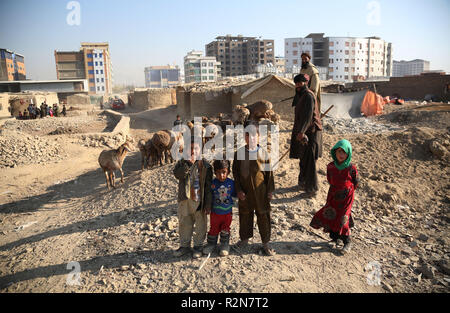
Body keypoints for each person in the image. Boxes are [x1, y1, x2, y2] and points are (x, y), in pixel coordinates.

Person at [232, 123, 275, 256]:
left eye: (253, 136)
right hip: (245, 192)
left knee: (263, 215)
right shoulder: (239, 153)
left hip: (261, 192)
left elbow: (269, 174)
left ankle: (266, 243)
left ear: (258, 136)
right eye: (247, 135)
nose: (251, 138)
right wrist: (238, 190)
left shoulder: (264, 153)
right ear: (244, 137)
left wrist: (270, 190)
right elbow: (236, 174)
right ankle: (244, 238)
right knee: (245, 215)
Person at [310, 139, 358, 254]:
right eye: (339, 152)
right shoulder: (331, 167)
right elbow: (330, 179)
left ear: (348, 153)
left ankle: (347, 241)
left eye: (344, 152)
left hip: (347, 197)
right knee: (330, 213)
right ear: (334, 153)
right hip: (333, 194)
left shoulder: (351, 168)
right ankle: (336, 238)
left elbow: (355, 182)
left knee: (343, 217)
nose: (341, 155)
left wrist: (346, 191)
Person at [173, 137, 213, 259]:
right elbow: (178, 175)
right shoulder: (181, 163)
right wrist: (187, 164)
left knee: (200, 224)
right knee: (185, 223)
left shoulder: (206, 165)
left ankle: (198, 246)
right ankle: (184, 246)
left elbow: (208, 187)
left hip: (199, 200)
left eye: (195, 148)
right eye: (190, 149)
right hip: (185, 199)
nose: (192, 151)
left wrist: (207, 204)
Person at [289, 73, 323, 197]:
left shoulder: (308, 96)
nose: (298, 85)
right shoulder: (300, 96)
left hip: (311, 132)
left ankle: (312, 189)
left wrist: (302, 132)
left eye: (300, 83)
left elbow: (308, 116)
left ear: (306, 83)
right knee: (303, 158)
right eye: (296, 83)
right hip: (303, 132)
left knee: (310, 161)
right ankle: (302, 183)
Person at [203, 159, 236, 256]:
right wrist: (207, 206)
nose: (221, 175)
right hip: (215, 213)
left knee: (225, 228)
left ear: (228, 172)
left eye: (224, 172)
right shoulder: (213, 184)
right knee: (213, 228)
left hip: (227, 213)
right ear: (214, 173)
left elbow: (235, 194)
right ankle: (211, 244)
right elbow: (209, 196)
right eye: (218, 173)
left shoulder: (231, 183)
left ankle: (224, 245)